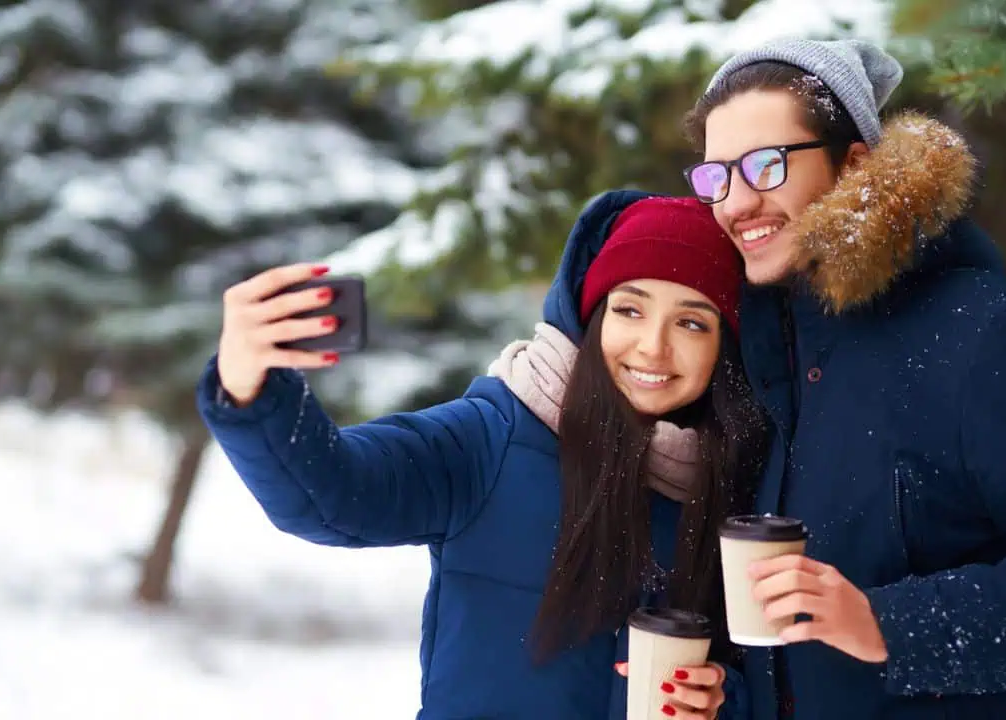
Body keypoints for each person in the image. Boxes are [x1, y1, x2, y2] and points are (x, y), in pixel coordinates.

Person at [678, 37, 1006, 719]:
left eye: (765, 165)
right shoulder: (761, 356)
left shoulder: (987, 334)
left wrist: (893, 625)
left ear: (856, 162)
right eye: (715, 176)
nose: (735, 202)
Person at [195, 193, 767, 719]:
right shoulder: (493, 436)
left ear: (727, 345)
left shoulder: (748, 485)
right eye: (629, 310)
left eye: (691, 322)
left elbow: (778, 681)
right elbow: (333, 495)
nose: (652, 346)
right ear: (591, 317)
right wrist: (248, 384)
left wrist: (721, 700)